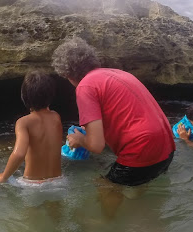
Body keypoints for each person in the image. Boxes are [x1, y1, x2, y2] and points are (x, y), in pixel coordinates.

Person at [52, 37, 175, 187]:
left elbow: (96, 146)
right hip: (167, 145)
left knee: (106, 188)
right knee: (141, 189)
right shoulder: (117, 73)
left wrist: (79, 140)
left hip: (142, 147)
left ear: (67, 75)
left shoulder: (85, 87)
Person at [0, 71, 63, 184]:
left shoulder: (23, 122)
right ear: (51, 95)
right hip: (58, 181)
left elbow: (19, 154)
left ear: (24, 97)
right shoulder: (56, 117)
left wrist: (3, 177)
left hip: (33, 184)